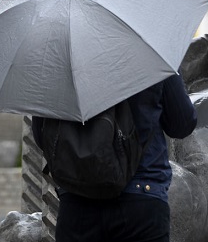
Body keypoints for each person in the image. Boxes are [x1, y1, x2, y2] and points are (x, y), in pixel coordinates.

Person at [32, 72, 197, 242]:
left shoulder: (59, 61)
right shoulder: (150, 53)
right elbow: (182, 124)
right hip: (142, 198)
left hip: (77, 205)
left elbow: (41, 136)